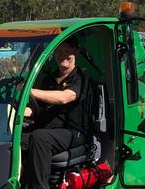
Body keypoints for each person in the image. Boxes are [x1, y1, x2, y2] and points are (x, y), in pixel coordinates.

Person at [20, 39, 93, 189]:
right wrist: (15, 112)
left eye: (67, 51)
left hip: (73, 133)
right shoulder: (49, 79)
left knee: (40, 137)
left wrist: (28, 90)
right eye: (59, 51)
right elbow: (36, 109)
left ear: (76, 53)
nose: (62, 55)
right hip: (47, 130)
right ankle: (20, 182)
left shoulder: (81, 79)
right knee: (15, 137)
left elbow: (64, 98)